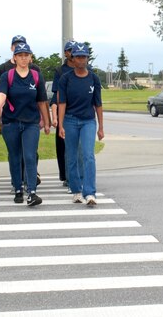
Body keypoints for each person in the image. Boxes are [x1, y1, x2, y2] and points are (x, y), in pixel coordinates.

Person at [0, 42, 50, 206]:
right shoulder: (8, 76)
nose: (23, 58)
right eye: (20, 55)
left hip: (31, 123)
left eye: (26, 55)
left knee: (30, 156)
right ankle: (17, 188)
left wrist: (46, 122)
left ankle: (32, 191)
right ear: (15, 58)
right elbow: (2, 95)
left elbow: (41, 101)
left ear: (30, 57)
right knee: (15, 156)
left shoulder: (36, 76)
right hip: (11, 122)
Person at [57, 43, 104, 206]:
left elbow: (98, 104)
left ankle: (90, 192)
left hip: (88, 121)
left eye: (84, 57)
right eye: (78, 57)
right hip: (70, 120)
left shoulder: (94, 78)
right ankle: (76, 190)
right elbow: (61, 102)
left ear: (87, 59)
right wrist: (61, 124)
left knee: (88, 155)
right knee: (71, 156)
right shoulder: (66, 78)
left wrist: (101, 127)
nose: (81, 60)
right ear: (72, 58)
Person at [51, 40, 76, 190]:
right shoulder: (60, 71)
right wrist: (55, 117)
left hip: (80, 112)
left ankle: (79, 175)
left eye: (75, 50)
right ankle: (67, 176)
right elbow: (56, 97)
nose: (73, 53)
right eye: (70, 50)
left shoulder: (87, 69)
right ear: (66, 53)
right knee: (64, 147)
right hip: (64, 113)